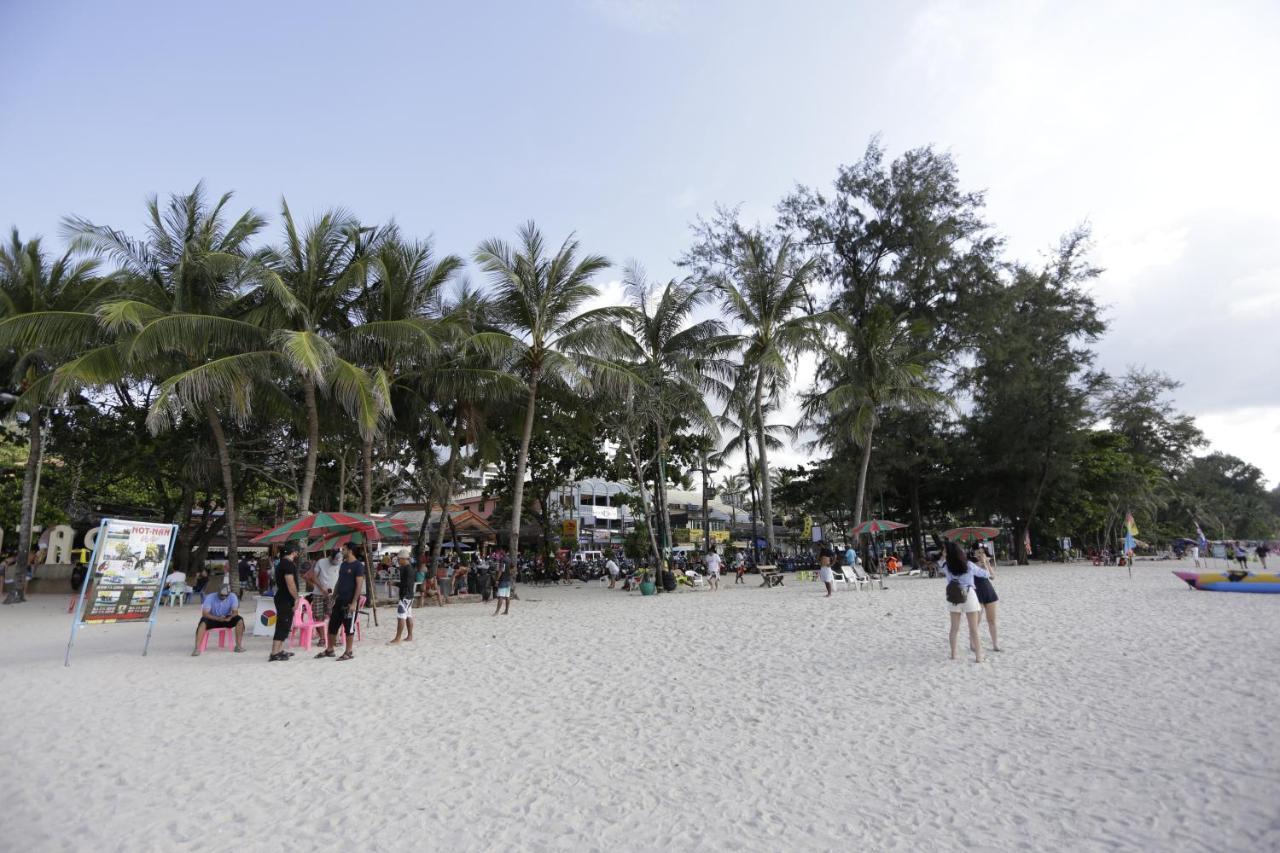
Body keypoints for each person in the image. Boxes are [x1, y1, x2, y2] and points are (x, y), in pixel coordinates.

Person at [317, 544, 365, 661]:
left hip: (349, 602)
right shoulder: (343, 564)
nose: (341, 551)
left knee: (349, 627)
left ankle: (348, 651)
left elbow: (359, 585)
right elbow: (339, 581)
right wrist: (333, 597)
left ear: (350, 550)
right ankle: (329, 649)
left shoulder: (358, 566)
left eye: (344, 549)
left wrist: (354, 602)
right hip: (339, 600)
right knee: (332, 626)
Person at [943, 541, 983, 663]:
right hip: (968, 595)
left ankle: (954, 654)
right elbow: (983, 574)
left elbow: (949, 580)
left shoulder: (946, 566)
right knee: (974, 628)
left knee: (954, 628)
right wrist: (984, 564)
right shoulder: (969, 565)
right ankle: (979, 657)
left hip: (954, 596)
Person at [193, 584, 245, 655]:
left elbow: (235, 612)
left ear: (229, 594)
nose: (223, 597)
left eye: (226, 595)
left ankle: (238, 646)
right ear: (218, 593)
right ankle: (197, 648)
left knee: (240, 620)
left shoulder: (233, 596)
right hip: (213, 618)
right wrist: (217, 618)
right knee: (203, 622)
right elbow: (205, 613)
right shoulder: (210, 597)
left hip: (226, 618)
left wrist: (229, 618)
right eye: (221, 595)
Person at [269, 544, 300, 662]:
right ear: (293, 552)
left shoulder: (282, 563)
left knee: (286, 625)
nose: (297, 554)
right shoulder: (287, 564)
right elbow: (290, 583)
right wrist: (296, 598)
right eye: (296, 551)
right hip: (285, 599)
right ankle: (274, 653)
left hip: (283, 598)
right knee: (283, 624)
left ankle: (279, 650)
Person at [971, 547, 1001, 652]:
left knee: (992, 620)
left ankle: (995, 644)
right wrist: (981, 564)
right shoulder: (971, 564)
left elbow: (992, 577)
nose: (980, 554)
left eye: (982, 552)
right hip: (976, 593)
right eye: (978, 552)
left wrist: (986, 564)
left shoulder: (986, 563)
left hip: (989, 591)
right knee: (976, 621)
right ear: (974, 553)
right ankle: (972, 643)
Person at [305, 548, 341, 621]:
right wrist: (322, 588)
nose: (335, 563)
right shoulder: (321, 562)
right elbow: (314, 577)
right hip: (318, 593)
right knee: (318, 617)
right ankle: (322, 633)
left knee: (332, 615)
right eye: (334, 561)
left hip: (332, 594)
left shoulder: (340, 562)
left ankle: (329, 632)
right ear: (331, 556)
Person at [388, 554, 415, 645]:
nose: (398, 561)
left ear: (404, 559)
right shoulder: (409, 568)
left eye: (399, 559)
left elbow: (405, 584)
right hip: (410, 595)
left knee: (401, 616)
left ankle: (397, 638)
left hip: (405, 595)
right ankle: (410, 636)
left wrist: (394, 583)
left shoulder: (406, 569)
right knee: (408, 615)